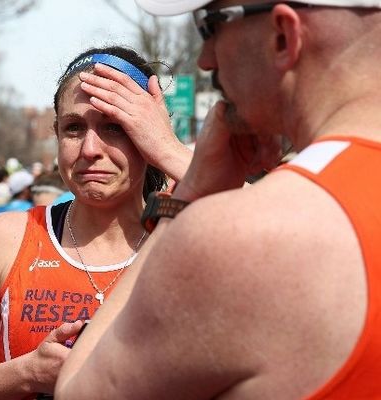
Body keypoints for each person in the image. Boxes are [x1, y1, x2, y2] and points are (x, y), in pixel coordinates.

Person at [55, 0, 381, 399]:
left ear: (283, 35)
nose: (206, 59)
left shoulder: (243, 236)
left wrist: (189, 195)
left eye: (211, 26)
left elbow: (77, 390)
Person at [0, 45, 193, 400]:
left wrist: (170, 150)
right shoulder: (7, 238)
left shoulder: (184, 236)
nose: (90, 148)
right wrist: (26, 373)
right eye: (74, 128)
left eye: (115, 126)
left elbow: (281, 222)